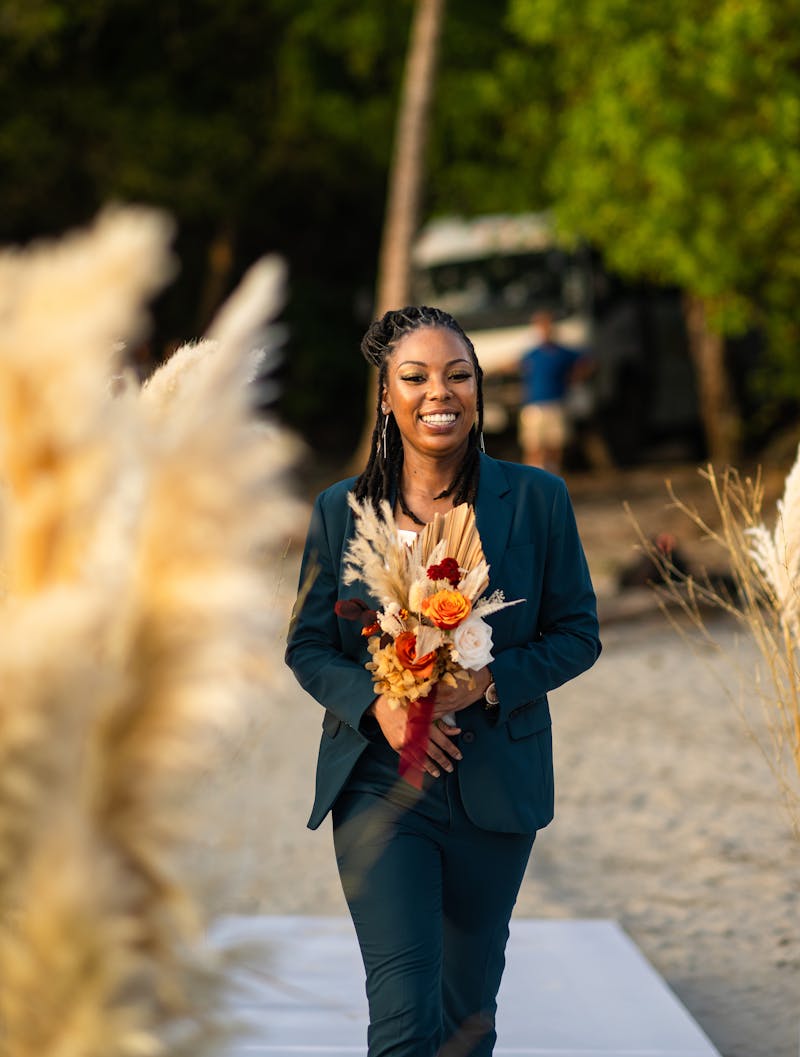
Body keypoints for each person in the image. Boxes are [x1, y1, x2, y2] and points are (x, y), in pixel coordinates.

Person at [285, 305, 601, 1057]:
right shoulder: (340, 509)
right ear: (387, 396)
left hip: (495, 791)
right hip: (376, 785)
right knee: (402, 1021)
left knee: (465, 1021)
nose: (440, 392)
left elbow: (578, 634)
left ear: (479, 389)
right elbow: (307, 646)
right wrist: (379, 706)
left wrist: (489, 678)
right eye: (417, 376)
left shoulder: (537, 499)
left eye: (459, 375)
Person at [518, 309, 594, 473]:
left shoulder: (563, 353)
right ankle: (533, 478)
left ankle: (551, 475)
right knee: (533, 446)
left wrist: (575, 377)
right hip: (534, 406)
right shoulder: (532, 354)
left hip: (556, 404)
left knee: (555, 446)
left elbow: (589, 362)